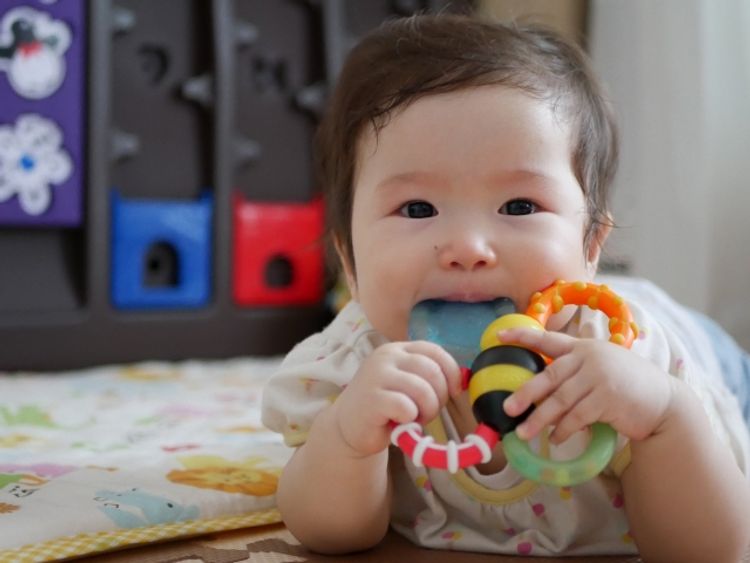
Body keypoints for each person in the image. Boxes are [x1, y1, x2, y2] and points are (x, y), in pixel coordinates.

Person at [261, 14, 750, 562]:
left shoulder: (628, 359)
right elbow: (329, 534)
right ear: (349, 261)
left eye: (519, 206)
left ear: (591, 248)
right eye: (417, 208)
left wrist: (662, 418)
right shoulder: (355, 366)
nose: (468, 247)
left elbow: (716, 550)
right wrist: (350, 437)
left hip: (711, 354)